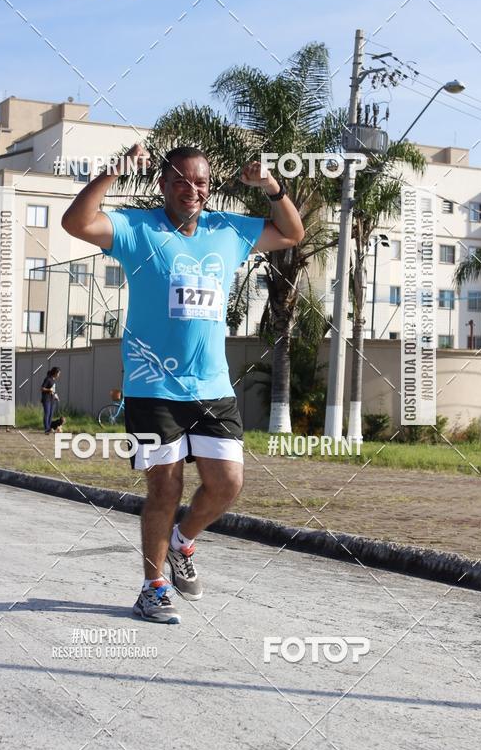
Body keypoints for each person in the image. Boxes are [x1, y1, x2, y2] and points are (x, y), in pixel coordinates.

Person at [62, 144, 303, 623]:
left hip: (212, 387)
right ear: (163, 186)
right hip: (153, 388)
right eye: (181, 181)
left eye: (201, 183)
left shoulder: (227, 230)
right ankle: (152, 588)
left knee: (227, 483)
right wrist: (113, 170)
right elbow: (76, 222)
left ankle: (183, 542)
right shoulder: (136, 228)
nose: (192, 191)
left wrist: (272, 187)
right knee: (164, 490)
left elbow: (292, 233)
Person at [41, 367, 61, 434]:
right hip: (46, 399)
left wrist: (56, 396)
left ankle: (49, 428)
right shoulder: (48, 379)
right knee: (47, 414)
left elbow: (53, 390)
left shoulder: (53, 380)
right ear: (55, 373)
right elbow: (42, 388)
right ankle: (46, 429)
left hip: (52, 399)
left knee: (51, 414)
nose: (59, 375)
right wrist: (49, 390)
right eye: (58, 373)